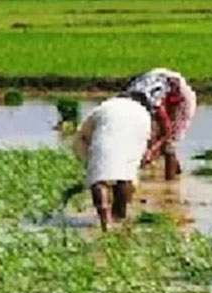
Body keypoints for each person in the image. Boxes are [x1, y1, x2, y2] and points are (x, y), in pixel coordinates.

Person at [73, 96, 152, 231]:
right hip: (131, 145)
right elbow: (146, 139)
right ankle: (119, 218)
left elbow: (83, 134)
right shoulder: (144, 113)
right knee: (125, 178)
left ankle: (106, 222)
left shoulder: (104, 107)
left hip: (105, 141)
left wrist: (88, 162)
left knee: (99, 180)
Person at [119, 68, 197, 182]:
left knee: (170, 142)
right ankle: (176, 171)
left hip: (178, 94)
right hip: (156, 82)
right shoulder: (124, 104)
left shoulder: (154, 103)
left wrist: (152, 150)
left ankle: (170, 183)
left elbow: (167, 132)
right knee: (155, 137)